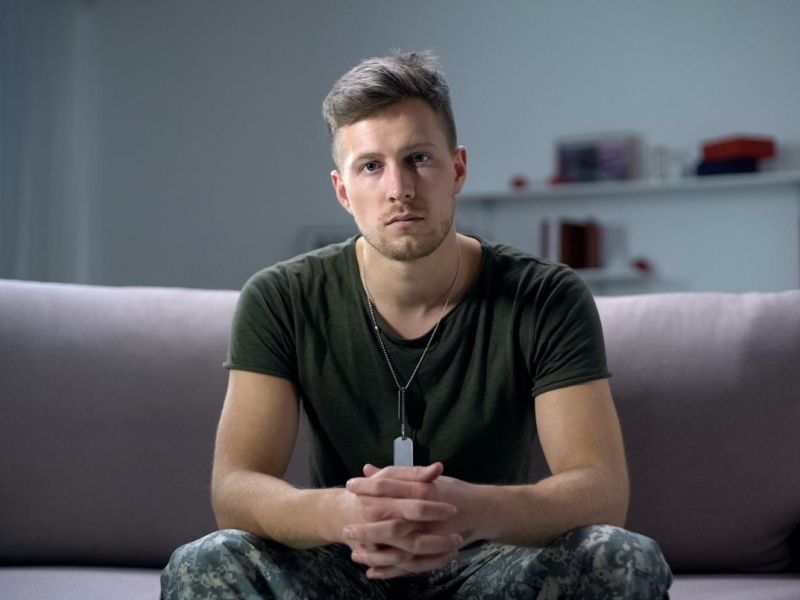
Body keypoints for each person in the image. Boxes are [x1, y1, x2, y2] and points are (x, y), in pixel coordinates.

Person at [161, 51, 672, 599]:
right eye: (371, 166)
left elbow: (600, 489)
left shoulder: (546, 296)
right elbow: (235, 488)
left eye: (419, 158)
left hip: (490, 567)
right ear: (342, 191)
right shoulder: (280, 297)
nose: (399, 188)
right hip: (342, 566)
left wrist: (467, 510)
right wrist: (348, 514)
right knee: (203, 563)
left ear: (458, 169)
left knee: (623, 558)